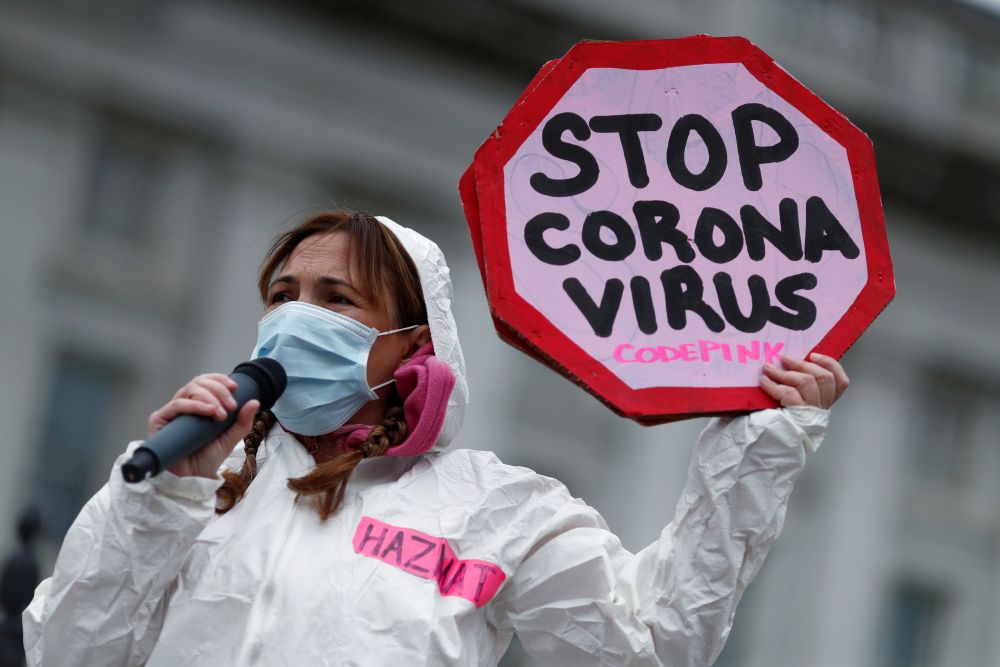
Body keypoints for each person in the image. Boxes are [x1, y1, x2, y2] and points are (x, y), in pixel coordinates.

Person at [23, 210, 848, 666]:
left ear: (414, 343)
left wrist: (757, 449)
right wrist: (162, 496)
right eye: (282, 292)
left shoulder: (497, 508)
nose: (293, 316)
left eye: (335, 297)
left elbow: (651, 647)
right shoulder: (191, 482)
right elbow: (67, 654)